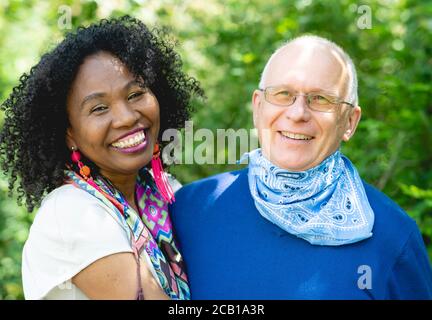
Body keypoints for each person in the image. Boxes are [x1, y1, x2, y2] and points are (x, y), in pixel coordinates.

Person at [170, 35, 432, 299]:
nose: (298, 114)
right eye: (283, 94)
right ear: (257, 107)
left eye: (320, 99)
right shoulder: (191, 209)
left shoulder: (393, 237)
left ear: (350, 122)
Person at [0, 16, 202, 300]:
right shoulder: (73, 213)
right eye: (98, 108)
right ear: (69, 133)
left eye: (135, 94)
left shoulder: (161, 192)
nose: (126, 117)